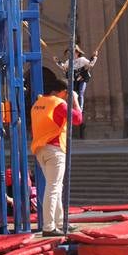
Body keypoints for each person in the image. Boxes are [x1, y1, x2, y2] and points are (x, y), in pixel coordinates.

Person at [30, 77, 82, 237]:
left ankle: (60, 222)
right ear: (61, 91)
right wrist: (76, 100)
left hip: (40, 150)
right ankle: (49, 226)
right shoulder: (58, 103)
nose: (66, 96)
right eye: (66, 93)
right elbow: (78, 119)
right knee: (53, 189)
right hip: (54, 149)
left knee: (55, 187)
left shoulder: (37, 104)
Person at [56, 46, 98, 114]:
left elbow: (90, 64)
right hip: (74, 79)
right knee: (74, 94)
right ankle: (73, 108)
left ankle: (80, 110)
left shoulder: (82, 59)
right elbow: (64, 67)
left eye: (73, 52)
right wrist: (58, 61)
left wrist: (94, 57)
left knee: (81, 92)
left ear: (77, 53)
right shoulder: (68, 62)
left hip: (82, 78)